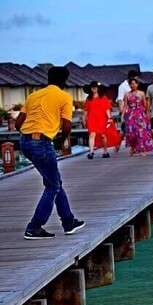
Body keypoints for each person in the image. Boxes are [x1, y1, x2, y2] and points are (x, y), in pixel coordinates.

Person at [15, 66, 85, 240]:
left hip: (25, 141)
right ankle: (34, 227)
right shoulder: (64, 97)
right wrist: (61, 140)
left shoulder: (33, 95)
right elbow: (67, 125)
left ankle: (68, 221)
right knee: (52, 185)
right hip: (43, 143)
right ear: (65, 81)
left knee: (55, 181)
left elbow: (18, 123)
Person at [121, 78, 153, 156]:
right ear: (129, 85)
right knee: (131, 133)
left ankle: (142, 150)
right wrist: (122, 116)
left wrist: (148, 114)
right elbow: (125, 106)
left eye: (134, 83)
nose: (133, 85)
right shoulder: (127, 94)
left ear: (137, 84)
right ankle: (133, 148)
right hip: (130, 115)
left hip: (140, 114)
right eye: (131, 84)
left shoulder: (142, 93)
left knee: (141, 132)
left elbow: (145, 105)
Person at [82, 81, 112, 159]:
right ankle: (91, 152)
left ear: (98, 88)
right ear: (90, 89)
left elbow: (107, 109)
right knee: (92, 134)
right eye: (92, 87)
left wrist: (109, 118)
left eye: (95, 87)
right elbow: (85, 110)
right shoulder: (88, 98)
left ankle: (105, 151)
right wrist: (84, 119)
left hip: (102, 118)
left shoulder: (103, 97)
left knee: (103, 135)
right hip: (91, 118)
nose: (94, 89)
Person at [117, 70, 140, 149]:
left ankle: (135, 147)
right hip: (126, 112)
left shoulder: (134, 85)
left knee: (137, 129)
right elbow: (120, 100)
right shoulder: (122, 86)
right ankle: (117, 144)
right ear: (131, 77)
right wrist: (121, 113)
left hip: (136, 111)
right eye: (136, 78)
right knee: (124, 130)